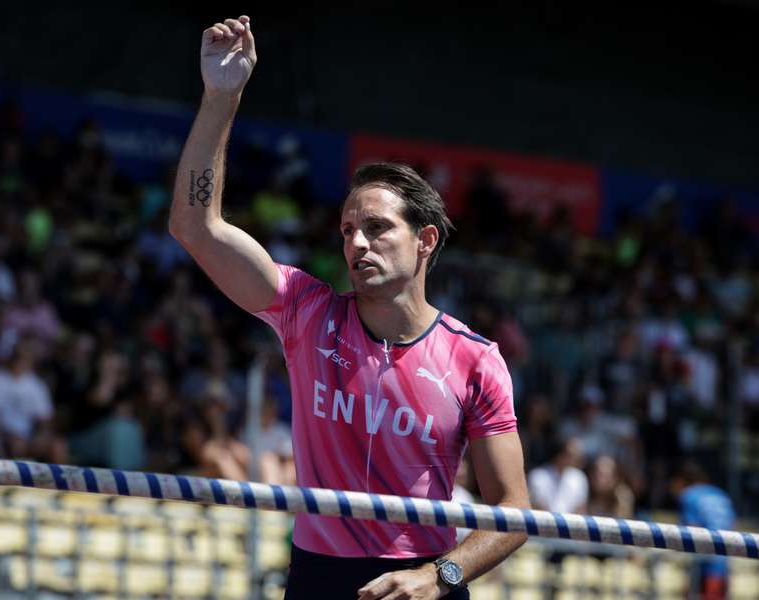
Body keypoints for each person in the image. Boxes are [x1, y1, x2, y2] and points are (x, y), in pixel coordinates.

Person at [168, 15, 530, 600]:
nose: (357, 243)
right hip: (319, 576)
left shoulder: (476, 360)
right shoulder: (303, 311)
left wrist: (440, 576)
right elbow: (195, 225)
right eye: (347, 231)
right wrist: (220, 98)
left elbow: (513, 508)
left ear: (426, 240)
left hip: (423, 578)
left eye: (378, 228)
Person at [670, 460, 736, 600]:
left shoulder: (689, 494)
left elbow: (693, 529)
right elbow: (731, 524)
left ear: (680, 480)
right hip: (723, 563)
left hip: (704, 562)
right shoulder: (721, 494)